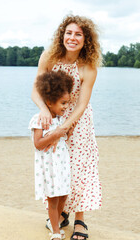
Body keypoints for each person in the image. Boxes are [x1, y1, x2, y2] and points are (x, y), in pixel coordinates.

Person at [31, 14, 102, 240]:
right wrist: (44, 110)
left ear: (86, 39)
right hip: (53, 115)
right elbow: (35, 90)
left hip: (79, 122)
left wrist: (67, 127)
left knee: (80, 168)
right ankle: (61, 213)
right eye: (69, 33)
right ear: (62, 35)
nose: (72, 38)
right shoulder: (49, 57)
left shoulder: (88, 65)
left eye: (78, 34)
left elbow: (83, 102)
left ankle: (80, 219)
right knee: (57, 167)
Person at [29, 70, 76, 240]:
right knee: (53, 198)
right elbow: (38, 144)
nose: (66, 106)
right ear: (49, 102)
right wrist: (55, 134)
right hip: (48, 165)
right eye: (63, 103)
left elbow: (64, 135)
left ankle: (54, 221)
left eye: (67, 103)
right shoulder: (39, 119)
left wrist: (66, 130)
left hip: (61, 163)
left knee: (63, 194)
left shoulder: (60, 119)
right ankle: (55, 231)